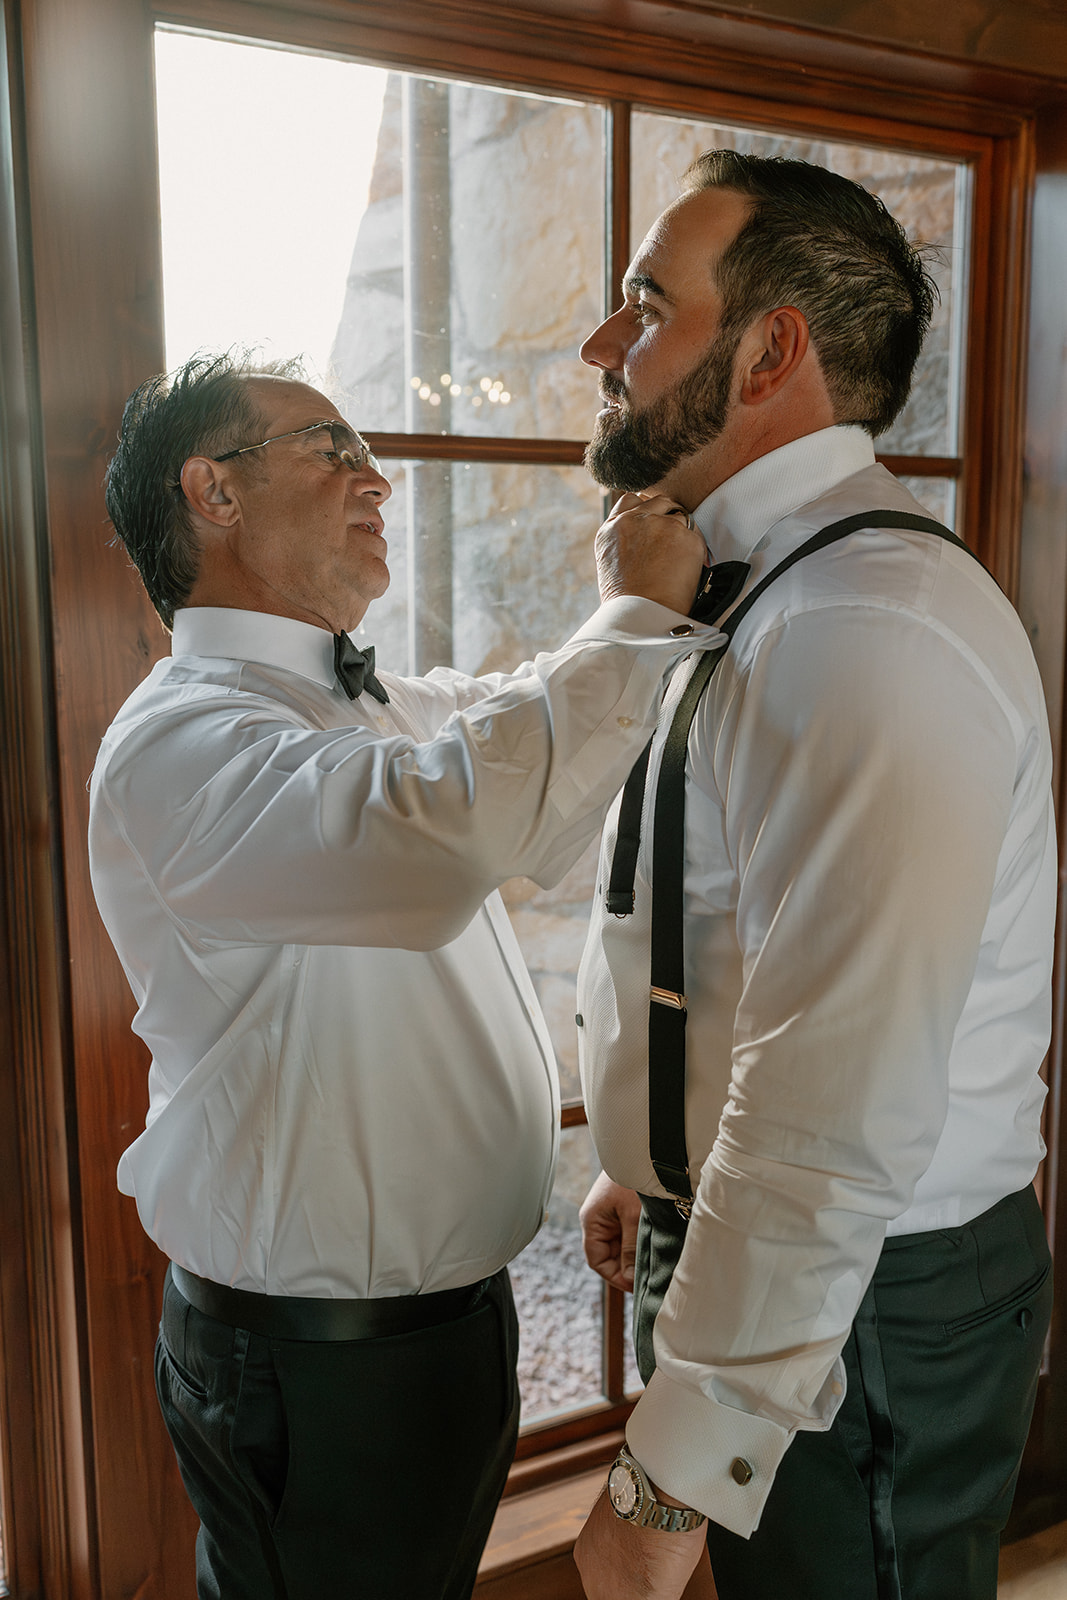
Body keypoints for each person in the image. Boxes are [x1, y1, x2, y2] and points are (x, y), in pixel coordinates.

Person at [88, 352, 715, 1600]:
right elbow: (441, 836)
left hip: (435, 1333)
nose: (376, 475)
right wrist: (635, 614)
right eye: (329, 448)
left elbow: (530, 771)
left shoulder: (370, 705)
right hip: (314, 1366)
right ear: (210, 490)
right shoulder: (181, 740)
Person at [572, 151, 1056, 1600]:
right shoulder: (750, 590)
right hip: (760, 1252)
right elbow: (711, 923)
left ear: (769, 347)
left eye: (644, 304)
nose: (603, 345)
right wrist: (645, 1156)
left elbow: (830, 1105)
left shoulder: (867, 629)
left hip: (866, 1299)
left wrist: (669, 1477)